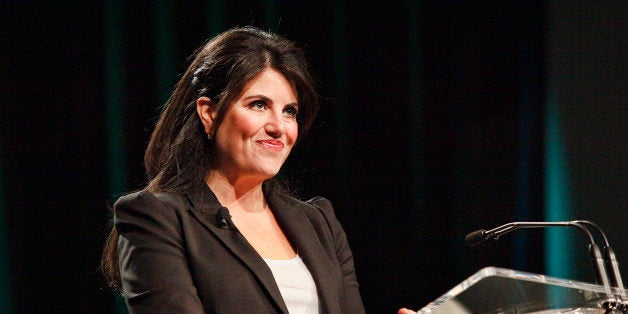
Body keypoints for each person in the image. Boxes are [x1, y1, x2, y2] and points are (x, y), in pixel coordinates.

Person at [101, 26, 365, 313]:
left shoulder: (320, 224)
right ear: (210, 113)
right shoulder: (156, 218)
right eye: (259, 105)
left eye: (289, 111)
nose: (279, 127)